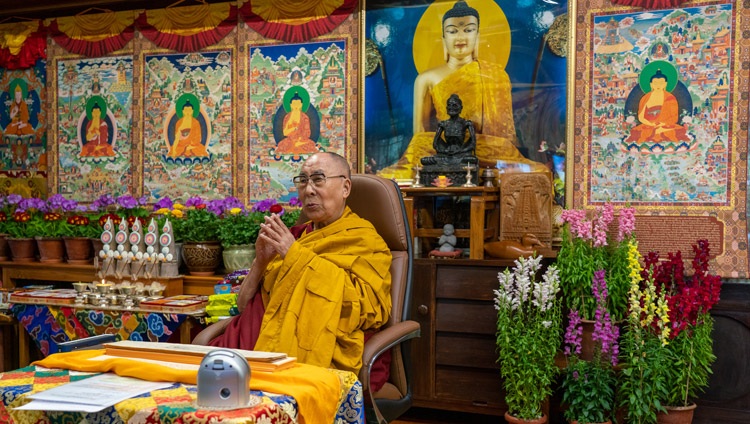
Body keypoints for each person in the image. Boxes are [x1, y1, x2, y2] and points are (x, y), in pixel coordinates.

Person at [208, 152, 393, 376]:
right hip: (255, 344)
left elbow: (365, 311)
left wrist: (295, 256)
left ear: (345, 188)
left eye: (318, 179)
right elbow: (245, 306)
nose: (308, 190)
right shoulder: (295, 236)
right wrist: (260, 262)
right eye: (303, 181)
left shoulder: (365, 240)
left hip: (313, 349)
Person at [378, 0, 543, 179]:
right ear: (443, 38)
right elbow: (420, 136)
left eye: (468, 30)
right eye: (452, 31)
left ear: (478, 36)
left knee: (540, 172)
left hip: (487, 152)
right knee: (405, 161)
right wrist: (446, 148)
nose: (460, 37)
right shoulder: (426, 79)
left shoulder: (496, 75)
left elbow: (504, 140)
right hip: (442, 153)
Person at [625, 69, 689, 144]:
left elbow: (674, 117)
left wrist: (663, 125)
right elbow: (641, 117)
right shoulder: (645, 98)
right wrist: (650, 124)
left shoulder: (670, 98)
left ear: (665, 84)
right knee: (636, 132)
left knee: (678, 131)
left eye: (661, 82)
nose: (658, 85)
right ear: (651, 84)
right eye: (655, 82)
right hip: (648, 125)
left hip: (666, 126)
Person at [421, 93, 477, 168]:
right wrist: (445, 151)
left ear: (461, 108)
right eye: (449, 105)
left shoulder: (466, 123)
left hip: (461, 154)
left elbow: (473, 144)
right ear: (446, 107)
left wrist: (460, 151)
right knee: (425, 160)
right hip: (446, 155)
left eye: (454, 106)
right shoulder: (443, 124)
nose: (451, 108)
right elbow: (435, 144)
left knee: (472, 159)